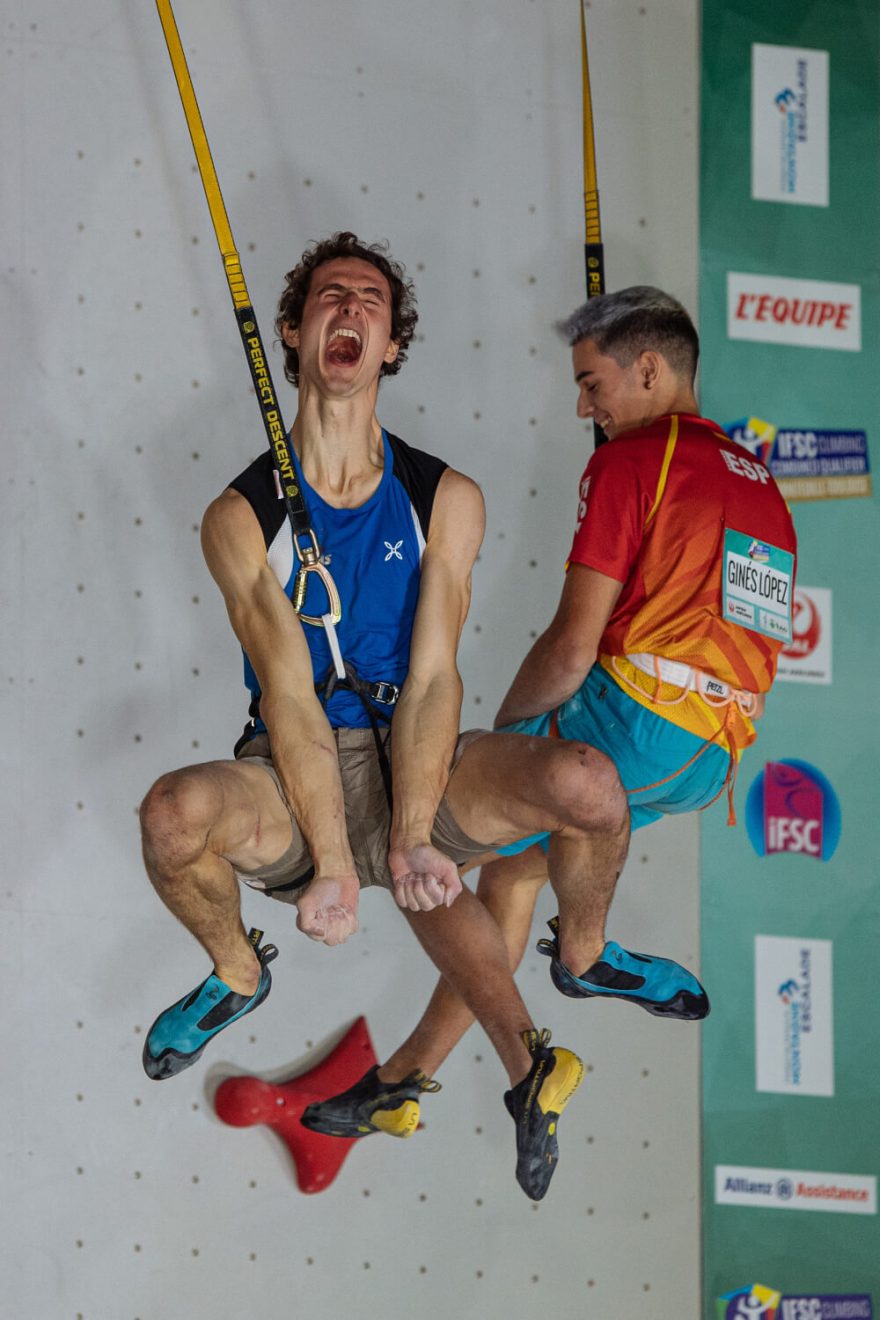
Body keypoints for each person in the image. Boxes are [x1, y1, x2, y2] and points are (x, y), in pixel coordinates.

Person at [139, 232, 640, 1200]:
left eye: (372, 303)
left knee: (582, 784)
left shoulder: (444, 498)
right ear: (292, 331)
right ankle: (239, 971)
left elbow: (434, 677)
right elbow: (287, 691)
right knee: (169, 818)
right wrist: (333, 861)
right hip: (293, 774)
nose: (353, 313)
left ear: (392, 347)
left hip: (421, 750)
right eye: (331, 298)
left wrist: (413, 834)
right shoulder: (239, 517)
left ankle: (542, 1034)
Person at [303, 284, 798, 1142]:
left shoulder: (631, 462)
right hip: (712, 757)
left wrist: (503, 740)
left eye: (592, 383)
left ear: (648, 369)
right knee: (509, 877)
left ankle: (588, 958)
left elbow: (573, 647)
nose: (583, 406)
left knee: (418, 814)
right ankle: (402, 1081)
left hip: (631, 725)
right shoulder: (760, 482)